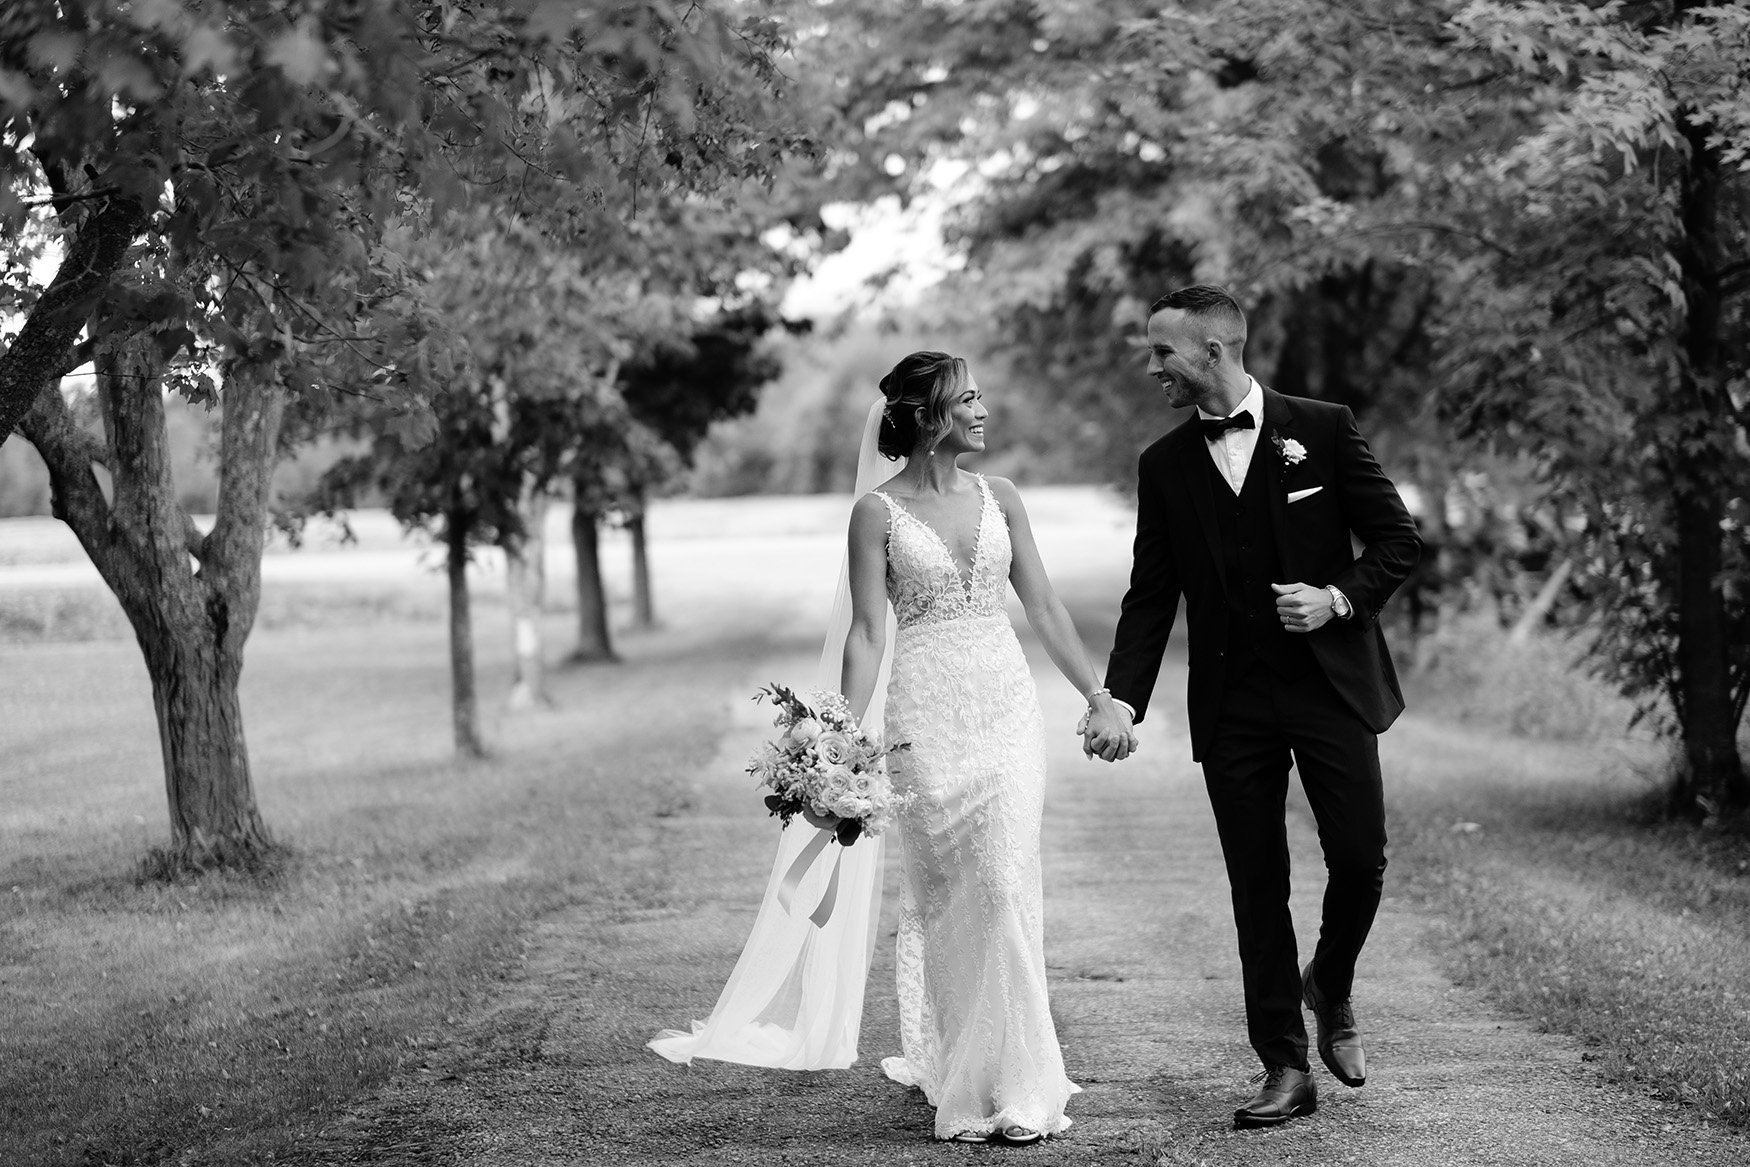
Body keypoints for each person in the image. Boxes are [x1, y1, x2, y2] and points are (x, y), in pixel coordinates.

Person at [651, 350, 1128, 1145]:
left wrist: (1097, 694)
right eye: (969, 400)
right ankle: (965, 1070)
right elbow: (870, 633)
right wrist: (838, 738)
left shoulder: (1001, 497)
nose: (983, 411)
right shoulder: (875, 512)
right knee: (949, 897)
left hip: (1005, 708)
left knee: (1006, 879)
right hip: (923, 719)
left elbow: (1041, 604)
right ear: (932, 417)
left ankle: (1019, 1079)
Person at [1082, 284, 1421, 1130]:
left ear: (1213, 352)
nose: (1152, 366)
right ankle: (1283, 1063)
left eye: (1163, 352)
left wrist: (1337, 598)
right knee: (1256, 884)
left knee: (1361, 855)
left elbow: (1397, 542)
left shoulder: (1325, 427)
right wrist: (1121, 699)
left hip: (1329, 688)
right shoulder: (1163, 465)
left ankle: (1330, 981)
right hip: (1232, 705)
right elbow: (1151, 596)